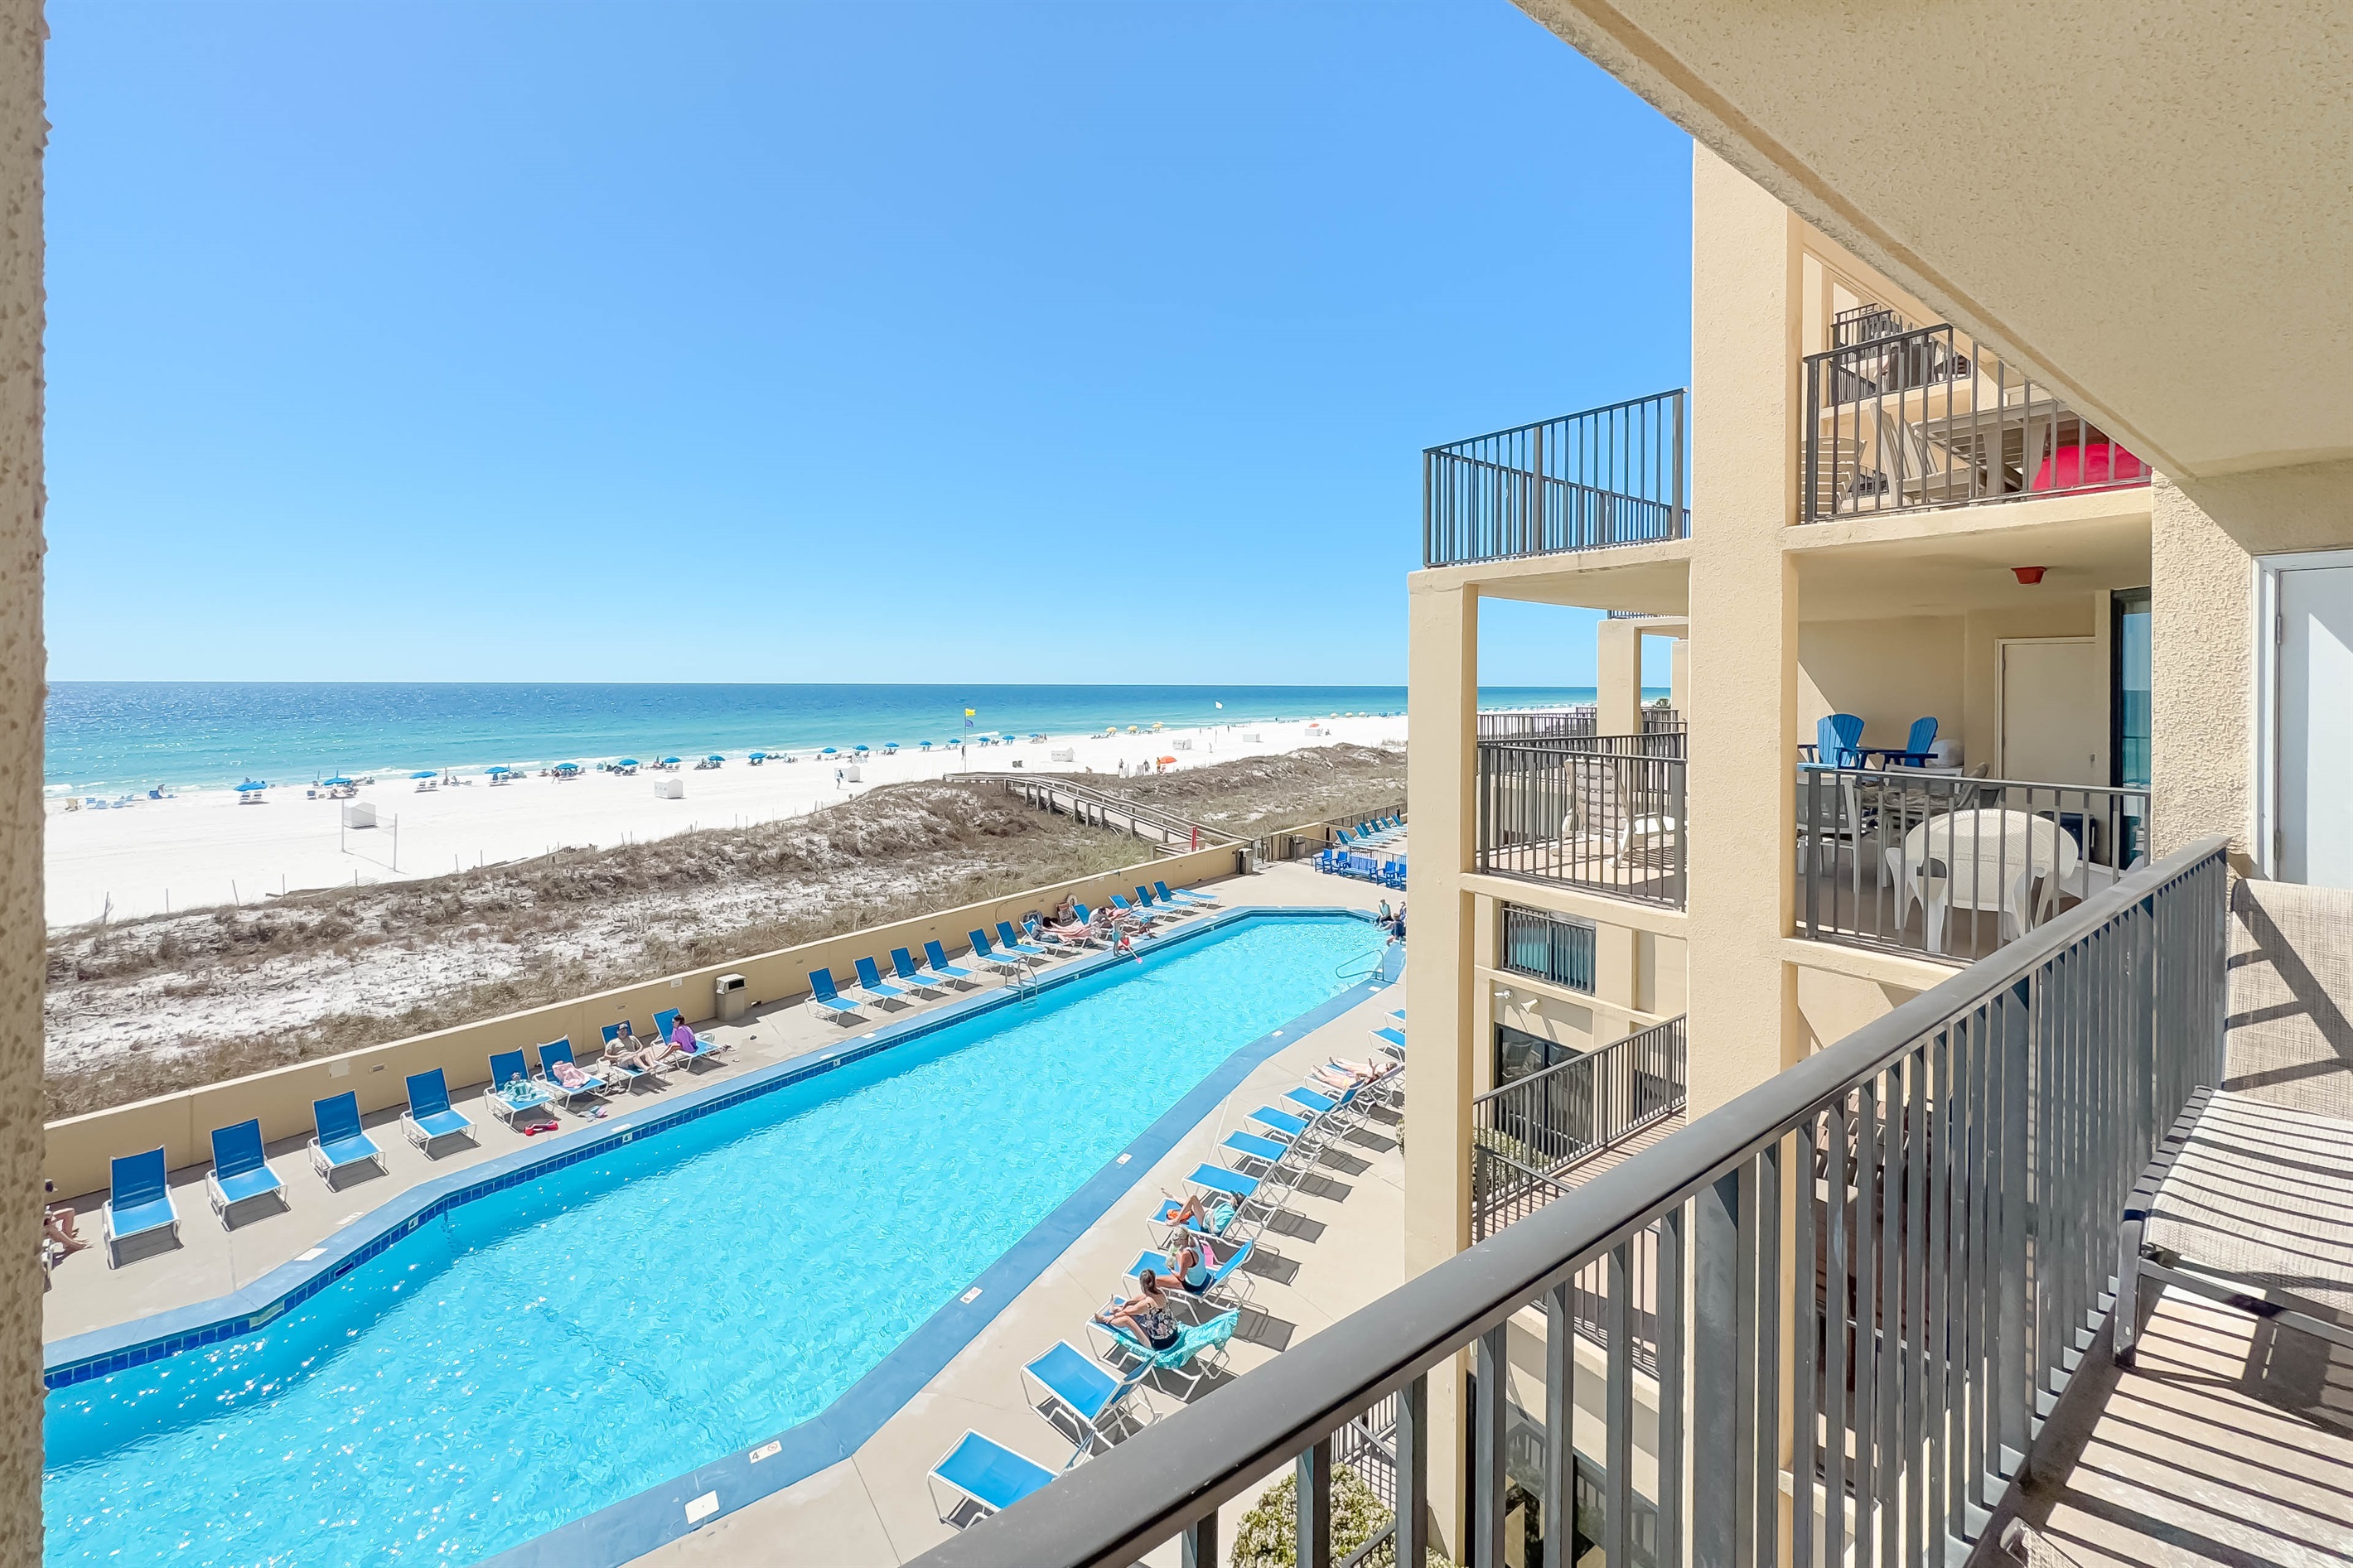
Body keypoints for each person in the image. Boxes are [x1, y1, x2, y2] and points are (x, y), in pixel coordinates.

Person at [1095, 1271, 1181, 1351]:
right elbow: (1143, 1297)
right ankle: (1115, 1309)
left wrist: (1113, 1316)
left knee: (1126, 1319)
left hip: (1160, 1344)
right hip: (1174, 1334)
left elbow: (1126, 1313)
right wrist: (1127, 1303)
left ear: (1142, 1286)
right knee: (1133, 1311)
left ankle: (1103, 1320)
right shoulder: (1160, 1292)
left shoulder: (1147, 1304)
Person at [43, 1180, 87, 1256]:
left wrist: (49, 1216)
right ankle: (75, 1245)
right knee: (51, 1227)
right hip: (38, 1226)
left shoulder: (40, 1198)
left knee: (69, 1212)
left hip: (44, 1220)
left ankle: (68, 1241)